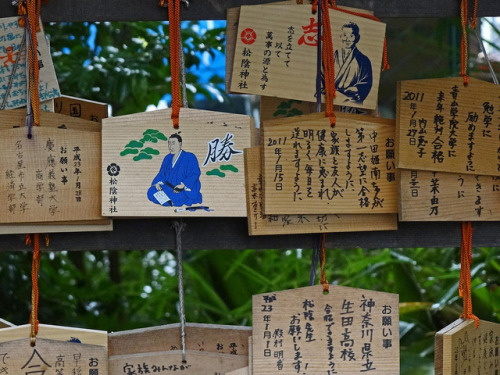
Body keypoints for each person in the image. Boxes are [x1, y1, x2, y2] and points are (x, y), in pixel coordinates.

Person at [147, 134, 202, 207]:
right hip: (168, 187)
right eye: (169, 143)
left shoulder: (189, 156)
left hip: (182, 189)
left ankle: (169, 201)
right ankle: (170, 201)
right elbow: (161, 174)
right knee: (151, 191)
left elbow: (195, 174)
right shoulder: (167, 158)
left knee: (182, 195)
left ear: (180, 144)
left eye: (173, 143)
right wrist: (157, 183)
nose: (170, 147)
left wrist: (183, 185)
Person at [334, 22, 373, 105]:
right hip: (331, 98)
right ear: (340, 36)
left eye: (351, 36)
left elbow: (367, 82)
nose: (347, 39)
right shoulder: (333, 56)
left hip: (351, 100)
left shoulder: (363, 60)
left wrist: (356, 89)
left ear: (357, 38)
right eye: (345, 35)